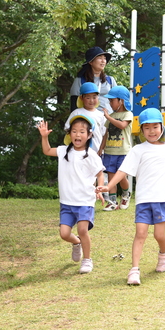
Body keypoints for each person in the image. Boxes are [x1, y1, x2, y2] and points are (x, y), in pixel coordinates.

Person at [97, 108, 165, 285]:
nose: (152, 131)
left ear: (162, 127)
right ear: (141, 131)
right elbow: (123, 171)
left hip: (163, 199)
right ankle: (134, 270)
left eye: (155, 127)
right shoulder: (137, 150)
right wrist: (108, 186)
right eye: (147, 128)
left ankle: (164, 253)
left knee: (159, 235)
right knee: (140, 233)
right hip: (144, 200)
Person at [38, 116, 105, 274]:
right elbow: (47, 150)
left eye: (82, 131)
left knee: (83, 230)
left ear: (89, 135)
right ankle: (76, 244)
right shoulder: (63, 151)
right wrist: (44, 137)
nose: (77, 134)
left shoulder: (91, 155)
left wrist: (100, 187)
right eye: (74, 131)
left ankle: (87, 260)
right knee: (64, 234)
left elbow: (100, 174)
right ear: (69, 134)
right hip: (67, 202)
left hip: (85, 201)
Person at [101, 85, 134, 211]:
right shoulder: (111, 115)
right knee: (110, 175)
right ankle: (112, 201)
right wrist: (101, 148)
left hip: (123, 152)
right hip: (109, 151)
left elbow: (121, 126)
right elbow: (106, 134)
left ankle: (126, 194)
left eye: (112, 100)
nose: (110, 103)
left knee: (121, 177)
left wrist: (109, 117)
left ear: (121, 101)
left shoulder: (128, 114)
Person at [65, 82, 107, 156]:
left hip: (97, 152)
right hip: (78, 153)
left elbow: (105, 134)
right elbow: (68, 128)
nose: (91, 100)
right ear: (81, 98)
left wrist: (101, 149)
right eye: (88, 97)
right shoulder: (76, 113)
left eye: (94, 97)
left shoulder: (101, 115)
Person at [70, 46, 117, 112]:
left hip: (108, 119)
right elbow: (74, 104)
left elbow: (117, 102)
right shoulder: (80, 80)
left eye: (104, 58)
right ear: (91, 62)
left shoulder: (110, 80)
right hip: (88, 119)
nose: (103, 61)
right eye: (100, 58)